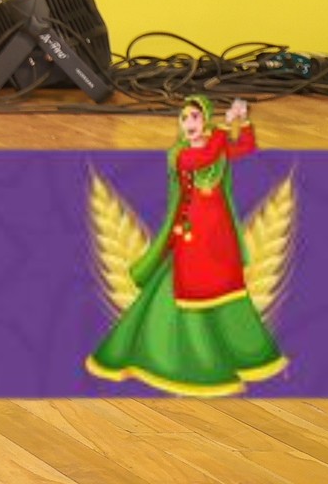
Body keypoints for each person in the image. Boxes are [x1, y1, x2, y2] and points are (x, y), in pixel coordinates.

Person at [88, 97, 289, 394]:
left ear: (204, 119)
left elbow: (245, 148)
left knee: (226, 285)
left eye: (194, 116)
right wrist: (224, 126)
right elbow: (204, 158)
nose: (188, 123)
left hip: (219, 235)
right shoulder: (180, 155)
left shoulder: (217, 148)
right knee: (190, 285)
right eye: (183, 118)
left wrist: (242, 120)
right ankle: (187, 357)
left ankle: (240, 350)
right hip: (192, 233)